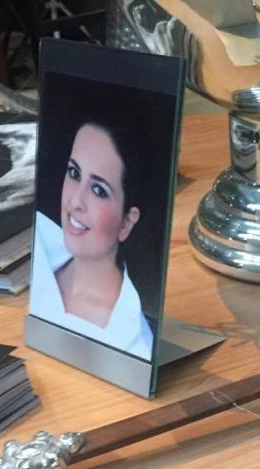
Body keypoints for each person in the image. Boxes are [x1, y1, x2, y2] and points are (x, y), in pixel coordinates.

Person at [29, 120, 155, 360]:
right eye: (74, 173)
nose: (76, 201)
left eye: (98, 190)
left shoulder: (133, 347)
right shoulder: (36, 239)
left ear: (126, 223)